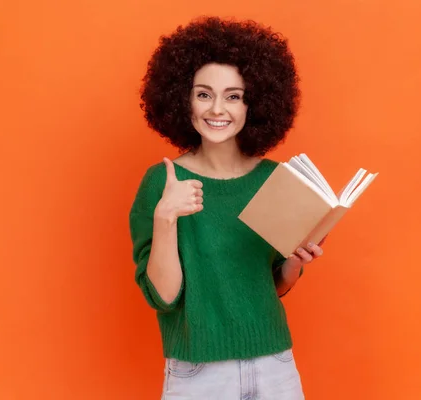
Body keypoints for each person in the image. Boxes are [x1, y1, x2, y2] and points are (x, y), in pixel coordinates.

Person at [129, 16, 324, 399]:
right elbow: (164, 298)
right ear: (182, 98)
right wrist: (166, 216)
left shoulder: (275, 179)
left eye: (233, 96)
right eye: (204, 94)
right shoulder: (162, 182)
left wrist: (296, 261)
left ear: (254, 103)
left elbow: (271, 283)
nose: (217, 108)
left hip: (275, 366)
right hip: (200, 373)